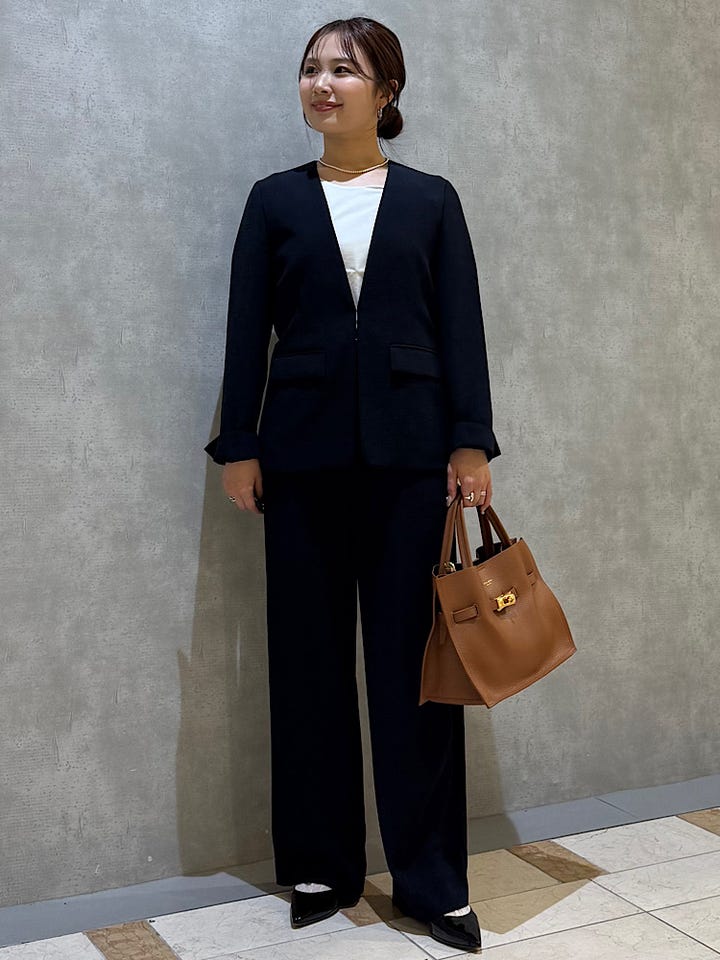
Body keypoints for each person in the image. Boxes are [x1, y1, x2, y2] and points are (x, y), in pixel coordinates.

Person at [204, 16, 501, 953]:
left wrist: (470, 441)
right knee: (308, 665)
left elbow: (462, 326)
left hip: (413, 460)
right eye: (312, 68)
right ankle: (320, 865)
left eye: (345, 69)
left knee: (418, 675)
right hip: (298, 460)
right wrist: (240, 444)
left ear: (387, 91)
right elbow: (245, 327)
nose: (323, 83)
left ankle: (432, 878)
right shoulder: (273, 201)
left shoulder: (432, 201)